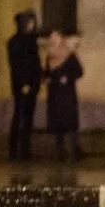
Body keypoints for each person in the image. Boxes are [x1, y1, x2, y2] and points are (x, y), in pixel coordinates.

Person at [6, 10, 43, 160]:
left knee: (27, 117)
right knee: (21, 116)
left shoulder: (30, 40)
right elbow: (18, 65)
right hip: (22, 85)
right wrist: (25, 83)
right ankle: (16, 149)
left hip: (31, 84)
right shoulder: (17, 42)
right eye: (31, 22)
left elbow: (35, 63)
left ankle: (24, 148)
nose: (33, 25)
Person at [44, 31, 85, 162]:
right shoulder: (49, 56)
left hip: (67, 94)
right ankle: (59, 149)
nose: (53, 40)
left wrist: (68, 77)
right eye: (52, 38)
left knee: (70, 121)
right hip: (55, 94)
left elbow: (79, 72)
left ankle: (75, 148)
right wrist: (46, 78)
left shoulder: (70, 55)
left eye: (56, 37)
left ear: (61, 39)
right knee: (57, 122)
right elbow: (46, 72)